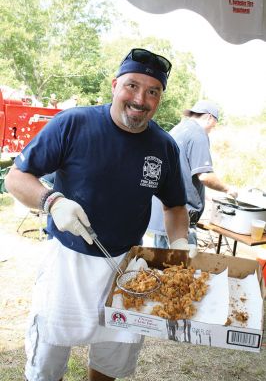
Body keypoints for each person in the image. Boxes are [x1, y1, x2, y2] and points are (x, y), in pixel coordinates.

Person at [5, 47, 195, 381]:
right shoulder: (74, 123)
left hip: (127, 268)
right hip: (68, 263)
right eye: (132, 86)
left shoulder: (163, 146)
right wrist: (52, 202)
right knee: (46, 362)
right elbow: (16, 178)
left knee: (111, 362)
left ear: (160, 99)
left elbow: (175, 206)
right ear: (114, 85)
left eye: (153, 91)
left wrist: (179, 244)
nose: (140, 99)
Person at [148, 100, 238, 248]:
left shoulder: (178, 129)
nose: (211, 130)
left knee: (161, 267)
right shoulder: (198, 133)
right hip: (179, 220)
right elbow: (205, 176)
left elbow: (182, 172)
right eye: (213, 126)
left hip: (162, 216)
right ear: (209, 117)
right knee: (181, 269)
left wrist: (204, 196)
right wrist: (228, 189)